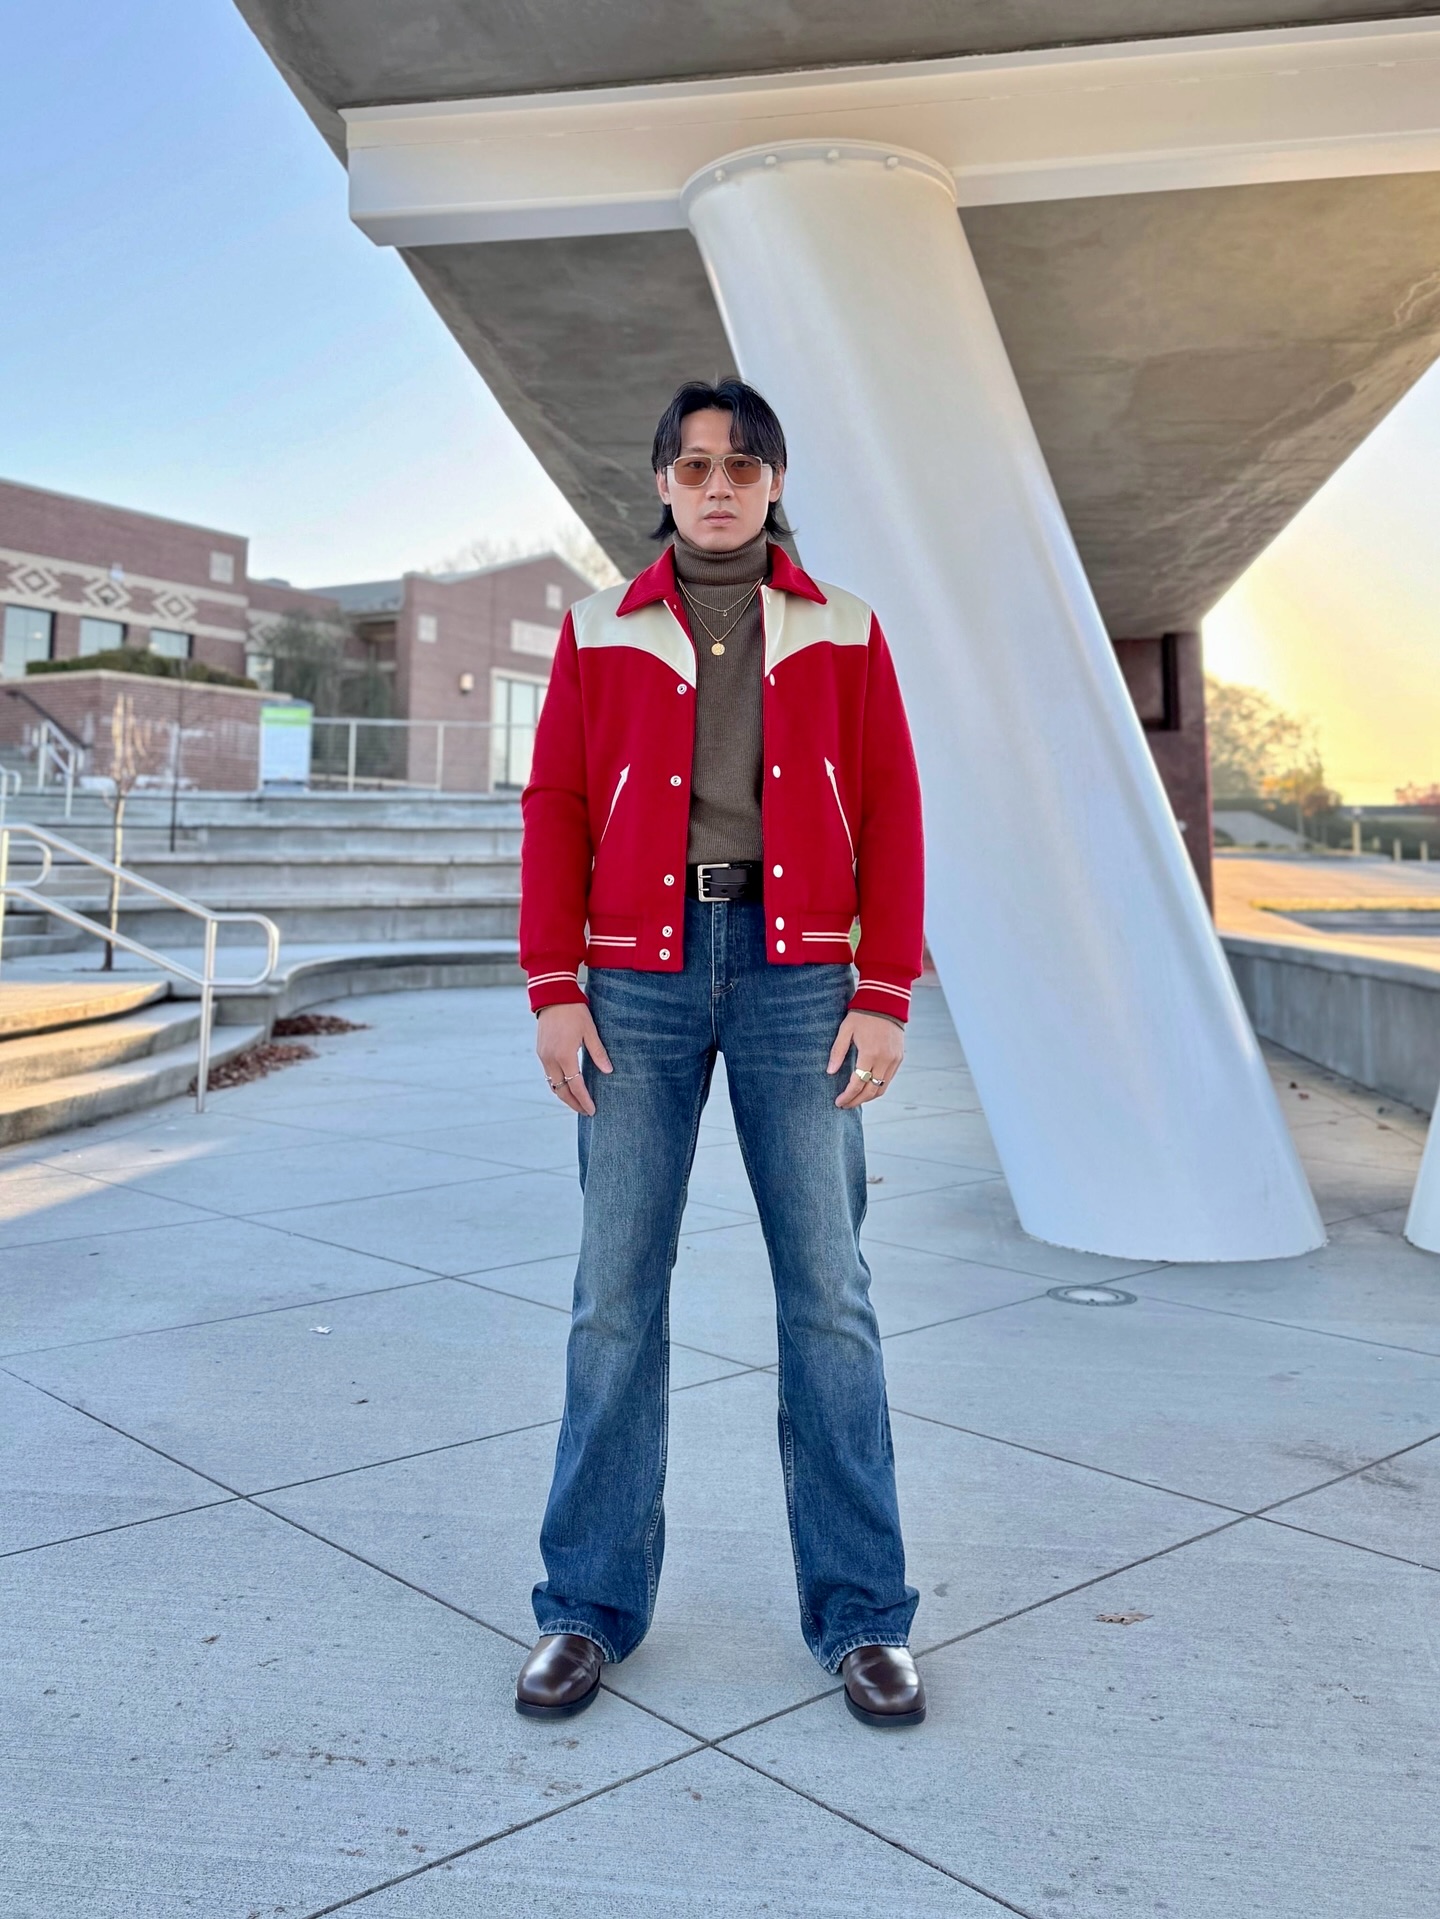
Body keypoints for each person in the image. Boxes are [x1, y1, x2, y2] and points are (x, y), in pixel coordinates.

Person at [514, 378, 927, 1729]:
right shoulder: (599, 628)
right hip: (634, 980)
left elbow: (891, 805)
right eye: (694, 465)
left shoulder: (844, 627)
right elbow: (558, 803)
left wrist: (883, 988)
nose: (717, 485)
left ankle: (865, 1618)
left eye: (742, 465)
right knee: (613, 1296)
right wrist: (553, 984)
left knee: (829, 1295)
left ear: (774, 482)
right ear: (662, 484)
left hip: (800, 978)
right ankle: (585, 1608)